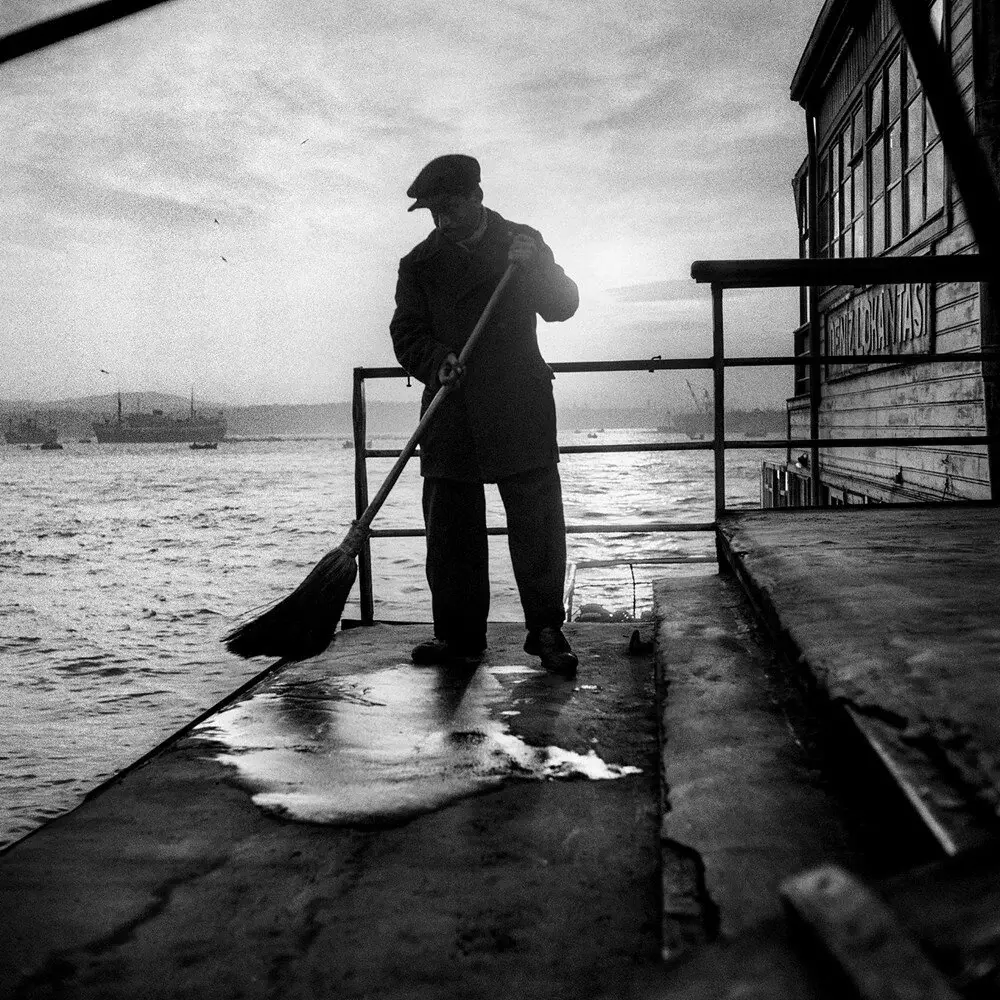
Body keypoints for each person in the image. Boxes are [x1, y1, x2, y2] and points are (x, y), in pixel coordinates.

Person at [389, 154, 580, 676]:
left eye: (449, 209)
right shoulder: (419, 264)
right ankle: (458, 637)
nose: (442, 222)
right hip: (451, 409)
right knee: (450, 530)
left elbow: (563, 305)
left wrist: (538, 264)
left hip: (519, 405)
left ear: (476, 197)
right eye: (433, 213)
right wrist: (435, 359)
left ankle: (546, 630)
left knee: (537, 525)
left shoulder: (523, 241)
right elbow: (405, 333)